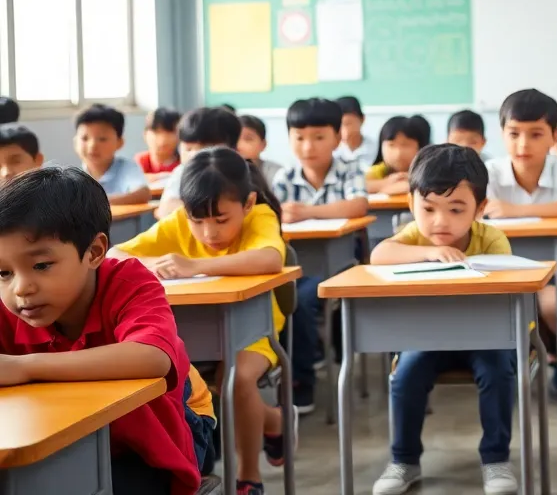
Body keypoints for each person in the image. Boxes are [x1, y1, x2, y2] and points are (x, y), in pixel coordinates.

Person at [0, 167, 199, 494]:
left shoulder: (128, 283)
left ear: (94, 252)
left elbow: (152, 358)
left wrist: (23, 367)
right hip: (57, 446)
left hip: (149, 445)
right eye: (3, 272)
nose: (20, 288)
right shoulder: (11, 306)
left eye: (41, 266)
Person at [112, 148, 288, 495]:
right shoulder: (179, 221)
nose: (209, 232)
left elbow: (270, 257)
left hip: (254, 330)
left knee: (236, 380)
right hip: (191, 333)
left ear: (248, 203)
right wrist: (150, 266)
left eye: (221, 220)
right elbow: (117, 253)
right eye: (198, 221)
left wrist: (197, 265)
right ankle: (273, 420)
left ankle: (248, 477)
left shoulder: (261, 216)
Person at [369, 145, 518, 495]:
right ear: (411, 204)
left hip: (486, 337)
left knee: (498, 372)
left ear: (479, 209)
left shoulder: (492, 240)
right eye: (428, 208)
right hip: (427, 337)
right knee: (405, 375)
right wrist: (429, 253)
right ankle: (403, 459)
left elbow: (507, 290)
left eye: (456, 209)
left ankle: (496, 459)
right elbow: (379, 254)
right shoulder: (415, 237)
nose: (440, 221)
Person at [485, 89, 557, 398]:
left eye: (535, 134)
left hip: (547, 267)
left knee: (554, 306)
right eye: (513, 133)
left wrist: (515, 211)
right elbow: (484, 214)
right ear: (501, 134)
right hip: (498, 271)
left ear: (554, 136)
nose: (523, 144)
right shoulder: (490, 171)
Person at [272, 97, 368, 413]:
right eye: (298, 137)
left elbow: (357, 205)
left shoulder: (349, 170)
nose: (308, 146)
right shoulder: (284, 177)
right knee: (282, 296)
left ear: (337, 138)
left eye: (318, 137)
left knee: (300, 301)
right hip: (295, 262)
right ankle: (289, 368)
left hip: (338, 263)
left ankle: (302, 381)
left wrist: (308, 212)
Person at [156, 107, 245, 218]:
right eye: (188, 149)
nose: (194, 156)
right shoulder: (181, 173)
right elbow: (166, 209)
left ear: (233, 149)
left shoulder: (240, 172)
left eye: (206, 149)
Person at [75, 104, 150, 205]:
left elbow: (143, 194)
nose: (92, 145)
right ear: (75, 142)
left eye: (102, 139)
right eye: (85, 138)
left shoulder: (126, 168)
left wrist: (95, 204)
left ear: (119, 142)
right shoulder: (74, 176)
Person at [366, 116, 431, 195]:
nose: (398, 153)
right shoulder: (377, 171)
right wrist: (386, 183)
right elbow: (360, 186)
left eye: (406, 145)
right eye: (391, 145)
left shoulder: (428, 171)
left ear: (420, 147)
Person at [237, 114, 283, 185]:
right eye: (235, 138)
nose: (239, 144)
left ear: (263, 145)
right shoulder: (222, 170)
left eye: (248, 139)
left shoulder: (276, 173)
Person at [136, 107, 182, 175]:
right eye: (157, 132)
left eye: (169, 132)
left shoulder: (184, 164)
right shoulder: (140, 162)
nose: (163, 139)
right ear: (145, 134)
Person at [334, 96, 374, 171]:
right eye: (339, 125)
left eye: (348, 124)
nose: (344, 131)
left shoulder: (376, 149)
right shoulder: (332, 152)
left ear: (362, 119)